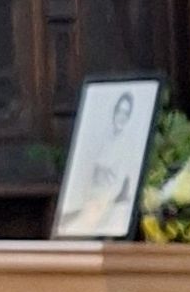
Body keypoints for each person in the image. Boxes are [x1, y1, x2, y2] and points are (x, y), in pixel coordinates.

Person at [59, 90, 143, 237]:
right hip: (91, 197)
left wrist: (100, 205)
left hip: (106, 202)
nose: (121, 116)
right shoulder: (105, 139)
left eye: (126, 113)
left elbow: (119, 185)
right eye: (119, 111)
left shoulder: (127, 145)